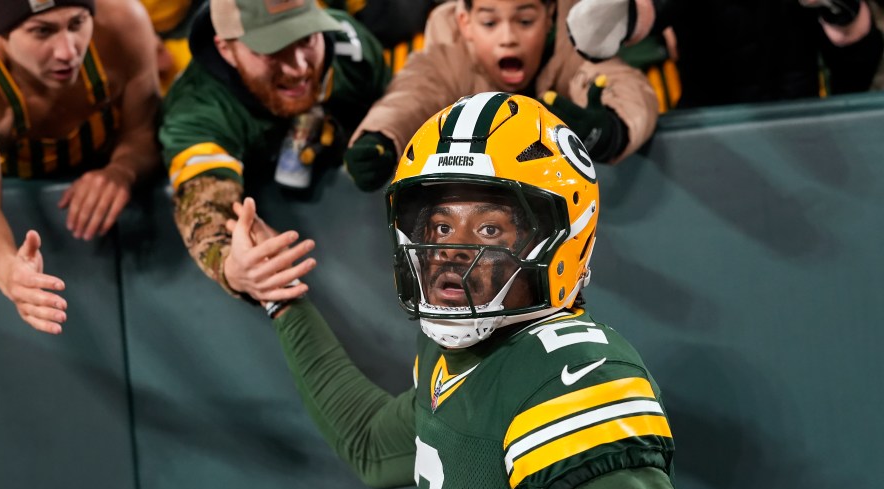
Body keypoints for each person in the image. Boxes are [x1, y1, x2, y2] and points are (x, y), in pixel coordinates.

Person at [226, 92, 718, 489]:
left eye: (488, 229)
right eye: (440, 227)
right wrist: (279, 298)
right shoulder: (452, 354)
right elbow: (370, 445)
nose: (452, 252)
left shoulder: (574, 383)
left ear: (562, 236)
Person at [0, 0, 161, 335]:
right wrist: (8, 270)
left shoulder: (122, 23)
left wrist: (122, 169)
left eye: (77, 24)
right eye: (42, 31)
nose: (67, 51)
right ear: (2, 33)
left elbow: (143, 132)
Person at [159, 0, 390, 299]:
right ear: (225, 48)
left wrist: (388, 131)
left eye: (306, 37)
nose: (298, 67)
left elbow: (404, 98)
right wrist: (231, 266)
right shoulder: (198, 107)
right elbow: (205, 204)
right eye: (272, 49)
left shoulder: (349, 46)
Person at [341, 0, 659, 193]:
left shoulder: (576, 37)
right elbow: (413, 93)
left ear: (549, 15)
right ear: (465, 23)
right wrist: (381, 136)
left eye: (525, 21)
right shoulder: (449, 50)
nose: (508, 38)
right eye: (490, 22)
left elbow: (622, 83)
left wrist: (612, 129)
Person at [566, 0, 884, 108]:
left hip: (803, 121)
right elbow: (650, 11)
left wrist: (844, 13)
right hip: (713, 132)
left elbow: (857, 66)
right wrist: (619, 17)